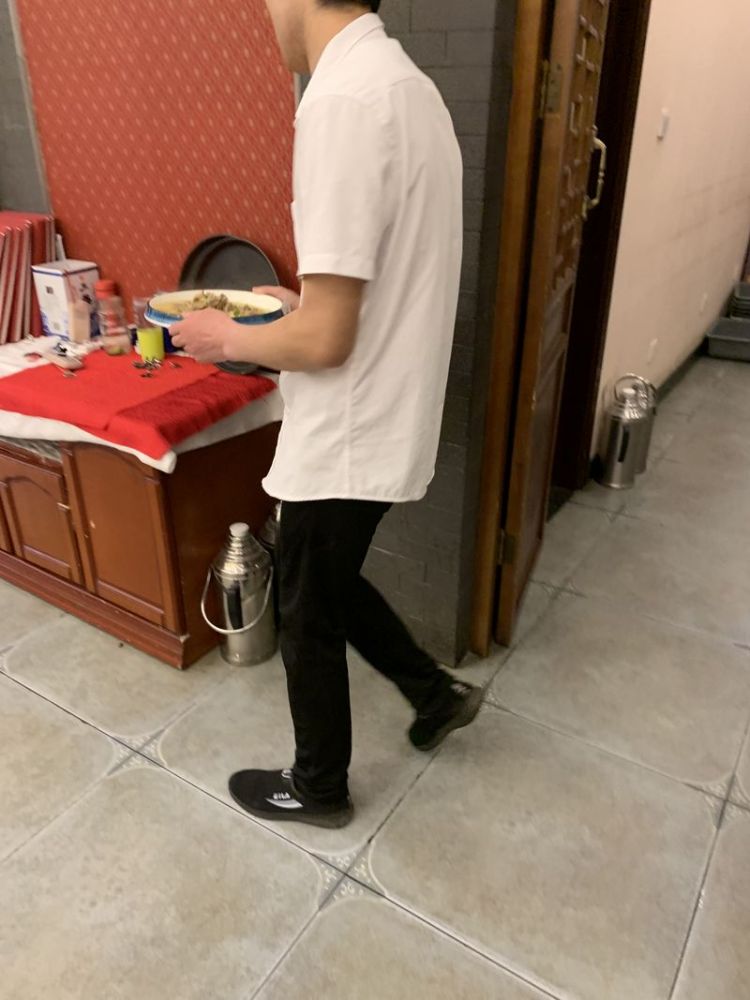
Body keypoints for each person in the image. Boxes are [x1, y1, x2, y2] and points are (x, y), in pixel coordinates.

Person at [170, 0, 481, 830]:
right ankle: (432, 693)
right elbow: (368, 285)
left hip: (350, 422)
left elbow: (327, 341)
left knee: (306, 607)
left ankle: (318, 786)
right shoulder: (409, 88)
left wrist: (227, 335)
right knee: (323, 576)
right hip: (386, 409)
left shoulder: (340, 100)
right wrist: (296, 304)